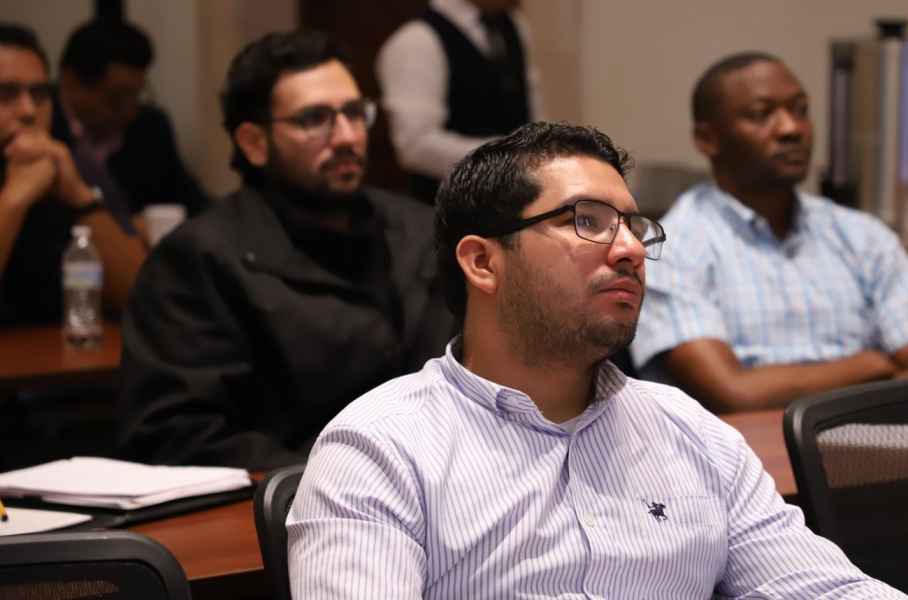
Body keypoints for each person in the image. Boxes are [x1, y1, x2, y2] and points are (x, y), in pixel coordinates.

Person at [286, 122, 906, 598]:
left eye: (635, 227)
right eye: (588, 221)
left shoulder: (690, 432)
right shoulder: (380, 449)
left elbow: (825, 589)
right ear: (482, 262)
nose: (630, 248)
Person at [116, 30, 453, 470]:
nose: (347, 136)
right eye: (315, 119)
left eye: (355, 113)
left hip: (445, 484)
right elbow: (176, 435)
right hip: (288, 493)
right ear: (253, 143)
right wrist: (337, 475)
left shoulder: (422, 231)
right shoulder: (201, 258)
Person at [630, 52, 908, 413]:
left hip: (872, 441)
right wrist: (874, 364)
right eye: (762, 114)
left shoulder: (862, 236)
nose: (792, 128)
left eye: (800, 110)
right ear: (707, 139)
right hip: (743, 445)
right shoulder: (673, 248)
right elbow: (734, 394)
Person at [0, 23, 146, 324]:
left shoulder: (59, 164)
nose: (28, 111)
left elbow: (145, 300)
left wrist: (79, 195)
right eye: (6, 94)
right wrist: (13, 201)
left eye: (39, 94)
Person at [53, 19, 209, 238]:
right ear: (71, 81)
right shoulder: (42, 127)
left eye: (136, 95)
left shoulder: (149, 126)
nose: (130, 111)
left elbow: (191, 203)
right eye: (116, 98)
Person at [376, 0, 542, 202]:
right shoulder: (416, 40)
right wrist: (512, 159)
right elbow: (414, 146)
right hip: (451, 208)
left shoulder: (514, 26)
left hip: (517, 202)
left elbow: (530, 110)